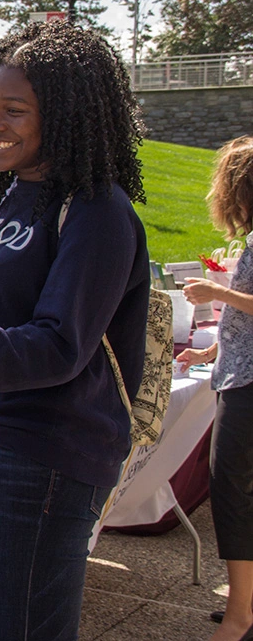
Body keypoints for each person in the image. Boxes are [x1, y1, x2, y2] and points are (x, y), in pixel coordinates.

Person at [0, 21, 150, 641]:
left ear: (61, 116)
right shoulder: (2, 197)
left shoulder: (98, 211)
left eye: (14, 110)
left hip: (45, 459)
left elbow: (60, 344)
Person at [176, 136, 253, 641]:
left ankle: (240, 615)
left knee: (233, 493)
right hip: (237, 373)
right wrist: (210, 352)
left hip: (248, 387)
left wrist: (216, 291)